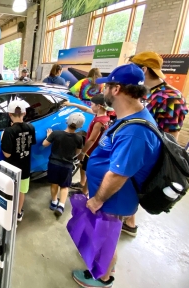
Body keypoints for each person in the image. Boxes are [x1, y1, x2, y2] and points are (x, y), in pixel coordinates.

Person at [71, 63, 161, 288]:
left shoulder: (135, 132)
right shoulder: (128, 117)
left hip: (114, 198)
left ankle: (102, 278)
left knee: (105, 239)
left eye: (106, 86)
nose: (102, 91)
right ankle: (104, 268)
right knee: (103, 236)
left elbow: (118, 176)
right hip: (111, 197)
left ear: (116, 89)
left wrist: (97, 199)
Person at [123, 51, 189, 237]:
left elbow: (171, 138)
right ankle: (129, 221)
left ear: (143, 69)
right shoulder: (145, 93)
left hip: (150, 157)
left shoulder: (170, 97)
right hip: (134, 150)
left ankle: (127, 221)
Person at [63, 95, 110, 195]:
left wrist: (83, 152)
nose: (91, 106)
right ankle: (82, 183)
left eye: (92, 104)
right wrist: (71, 104)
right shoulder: (100, 114)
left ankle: (84, 191)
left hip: (92, 151)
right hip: (91, 150)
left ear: (99, 106)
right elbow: (85, 109)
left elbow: (92, 139)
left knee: (89, 171)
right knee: (82, 165)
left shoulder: (100, 122)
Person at [42, 112, 84, 217]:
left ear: (67, 121)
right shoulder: (79, 139)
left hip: (54, 163)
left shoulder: (56, 133)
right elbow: (78, 152)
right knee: (65, 186)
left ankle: (54, 202)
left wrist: (49, 136)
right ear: (80, 126)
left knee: (54, 184)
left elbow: (44, 144)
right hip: (67, 166)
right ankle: (61, 206)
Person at [0, 101, 36, 221]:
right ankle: (19, 213)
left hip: (12, 169)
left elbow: (7, 154)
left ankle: (9, 212)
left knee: (11, 191)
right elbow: (31, 143)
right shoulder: (31, 127)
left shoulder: (8, 131)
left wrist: (2, 139)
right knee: (21, 191)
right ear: (24, 113)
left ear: (10, 114)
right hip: (25, 167)